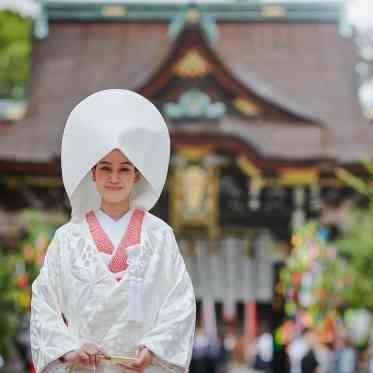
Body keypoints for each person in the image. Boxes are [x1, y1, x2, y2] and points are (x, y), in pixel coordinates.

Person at [30, 90, 196, 373]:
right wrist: (70, 350)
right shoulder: (68, 238)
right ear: (92, 174)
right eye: (106, 168)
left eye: (124, 169)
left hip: (140, 367)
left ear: (137, 175)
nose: (115, 178)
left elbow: (180, 302)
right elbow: (43, 303)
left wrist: (153, 348)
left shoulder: (159, 236)